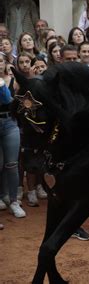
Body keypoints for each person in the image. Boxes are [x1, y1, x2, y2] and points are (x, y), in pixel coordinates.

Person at [0, 52, 25, 219]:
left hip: (10, 122)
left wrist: (2, 85)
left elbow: (10, 101)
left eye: (0, 60)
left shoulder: (14, 81)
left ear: (5, 63)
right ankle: (2, 196)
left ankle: (14, 200)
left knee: (11, 164)